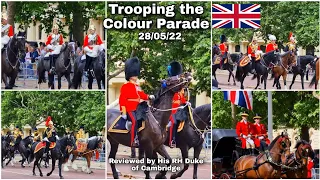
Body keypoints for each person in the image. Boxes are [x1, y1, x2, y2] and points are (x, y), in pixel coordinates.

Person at [119, 57, 155, 147]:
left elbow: (141, 95)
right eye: (134, 74)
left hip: (138, 108)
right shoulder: (126, 86)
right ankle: (133, 140)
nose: (136, 76)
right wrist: (123, 112)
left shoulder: (137, 86)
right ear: (130, 75)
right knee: (134, 121)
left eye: (136, 74)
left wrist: (148, 96)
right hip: (130, 108)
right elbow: (122, 100)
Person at [167, 61, 185, 148]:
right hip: (171, 110)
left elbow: (182, 98)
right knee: (174, 122)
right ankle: (172, 140)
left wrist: (186, 102)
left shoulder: (180, 87)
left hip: (179, 109)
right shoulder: (169, 85)